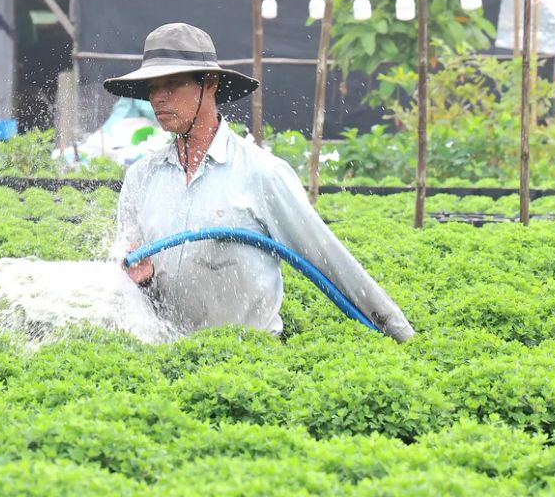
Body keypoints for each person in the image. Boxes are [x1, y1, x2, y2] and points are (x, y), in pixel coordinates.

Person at [105, 22, 414, 342]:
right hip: (166, 365)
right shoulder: (141, 178)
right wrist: (141, 279)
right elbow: (131, 275)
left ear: (209, 83)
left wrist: (399, 334)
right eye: (153, 87)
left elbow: (327, 259)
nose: (159, 98)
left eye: (173, 84)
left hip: (249, 364)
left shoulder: (262, 174)